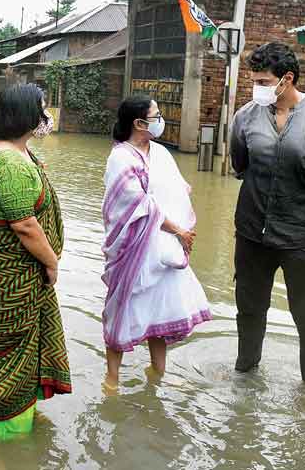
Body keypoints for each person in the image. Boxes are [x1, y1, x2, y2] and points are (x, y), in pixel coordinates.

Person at [230, 42, 305, 388]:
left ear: (287, 79)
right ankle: (245, 377)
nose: (257, 88)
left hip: (303, 235)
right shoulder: (245, 118)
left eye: (264, 81)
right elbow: (241, 166)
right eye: (254, 80)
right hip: (253, 231)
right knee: (249, 309)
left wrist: (298, 201)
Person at [0, 84, 72, 439]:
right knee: (7, 345)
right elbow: (24, 225)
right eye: (42, 109)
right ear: (27, 114)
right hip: (8, 268)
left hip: (22, 268)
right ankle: (2, 430)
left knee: (21, 343)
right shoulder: (9, 161)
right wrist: (52, 262)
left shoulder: (19, 152)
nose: (47, 116)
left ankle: (15, 412)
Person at [101, 96, 213, 390]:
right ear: (138, 123)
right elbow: (137, 204)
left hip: (163, 250)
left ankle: (158, 373)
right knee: (123, 310)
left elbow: (177, 192)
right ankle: (111, 382)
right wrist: (177, 230)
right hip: (134, 248)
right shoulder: (121, 158)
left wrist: (182, 233)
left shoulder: (160, 153)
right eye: (156, 115)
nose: (161, 120)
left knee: (159, 312)